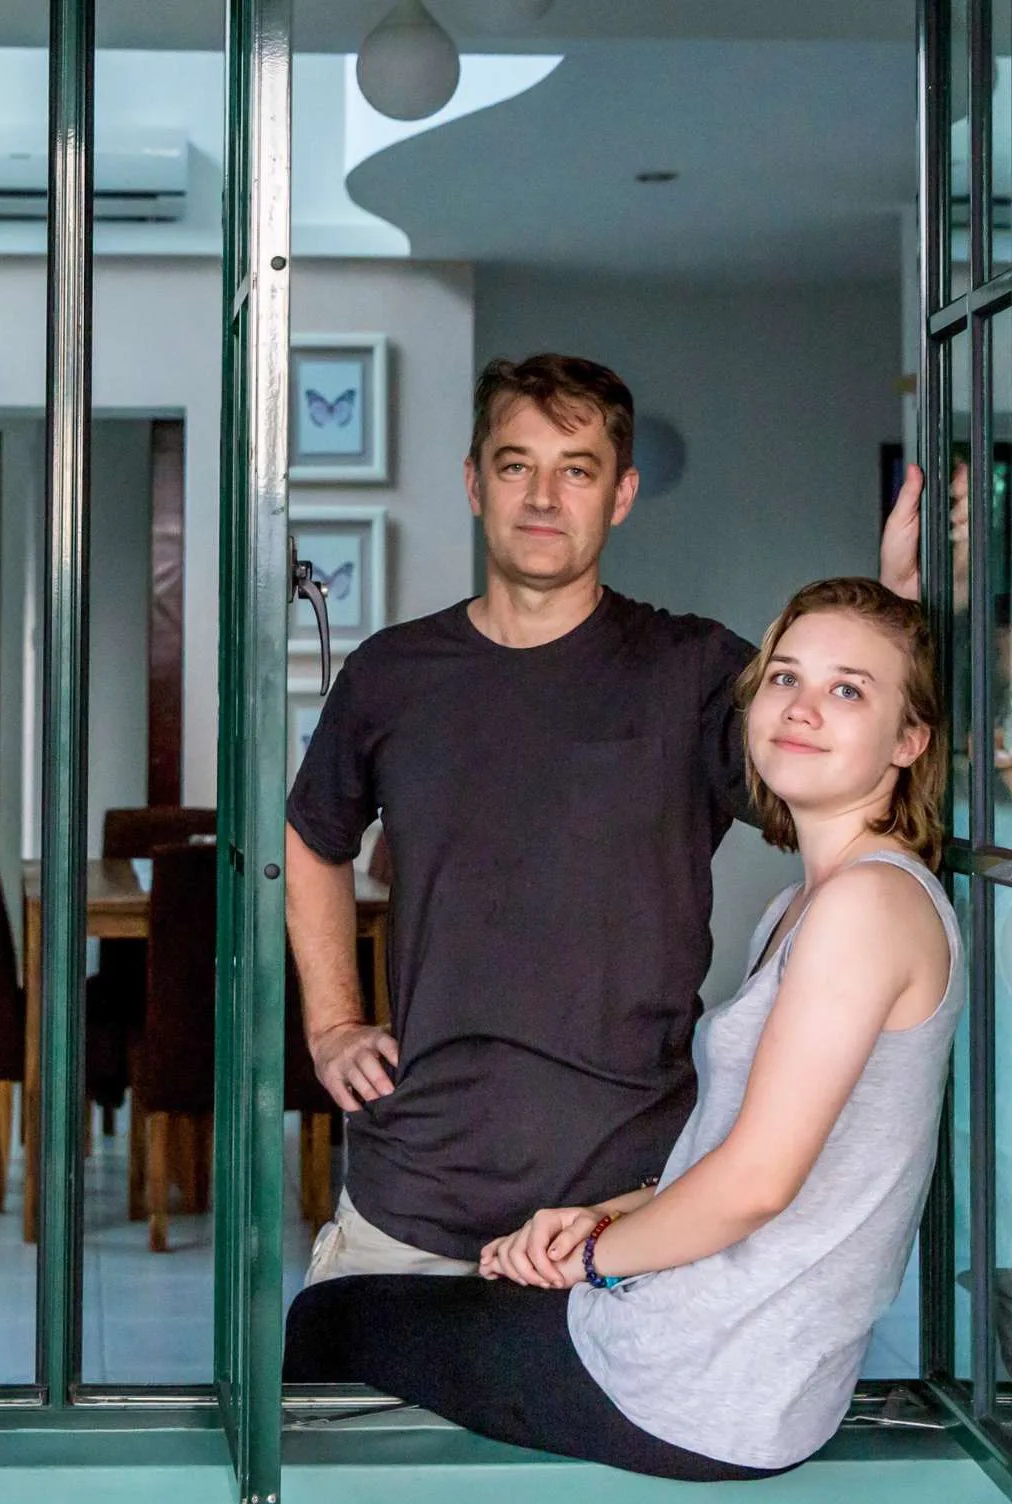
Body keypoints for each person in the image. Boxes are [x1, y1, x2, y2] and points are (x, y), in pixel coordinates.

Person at [286, 578, 956, 1481]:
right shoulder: (809, 906)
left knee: (328, 1323)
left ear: (909, 739)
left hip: (700, 1382)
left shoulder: (866, 907)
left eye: (848, 690)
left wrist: (596, 1257)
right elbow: (741, 1156)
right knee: (462, 1307)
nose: (801, 709)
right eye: (785, 678)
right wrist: (600, 1217)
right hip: (703, 1346)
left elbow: (757, 1184)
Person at [286, 353, 925, 1280]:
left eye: (576, 470)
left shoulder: (697, 671)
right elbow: (315, 835)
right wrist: (333, 1023)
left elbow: (856, 779)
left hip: (620, 1205)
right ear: (475, 483)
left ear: (620, 494)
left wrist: (901, 610)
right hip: (413, 1193)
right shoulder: (391, 674)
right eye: (516, 465)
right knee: (346, 1420)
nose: (544, 495)